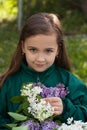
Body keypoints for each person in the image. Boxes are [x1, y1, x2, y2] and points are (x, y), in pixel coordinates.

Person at [0, 12, 87, 130]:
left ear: (58, 50)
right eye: (33, 50)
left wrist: (66, 108)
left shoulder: (68, 81)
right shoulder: (8, 83)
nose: (40, 58)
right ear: (23, 47)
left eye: (48, 51)